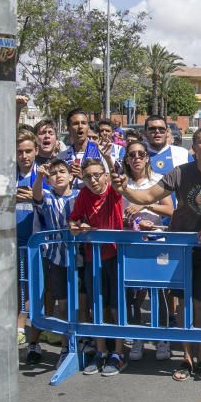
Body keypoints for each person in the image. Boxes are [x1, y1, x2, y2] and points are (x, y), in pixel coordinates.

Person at [115, 127, 201, 381]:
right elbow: (146, 195)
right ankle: (186, 360)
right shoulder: (180, 172)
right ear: (194, 148)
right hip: (180, 247)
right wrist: (124, 190)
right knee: (184, 305)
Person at [69, 158, 126, 376]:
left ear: (105, 175)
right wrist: (75, 226)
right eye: (87, 176)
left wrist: (108, 155)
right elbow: (73, 220)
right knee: (97, 305)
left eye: (97, 175)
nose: (93, 180)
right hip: (93, 257)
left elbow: (121, 183)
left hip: (115, 256)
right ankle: (101, 350)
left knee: (116, 306)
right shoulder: (83, 195)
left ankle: (119, 353)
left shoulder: (113, 191)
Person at [121, 140, 175, 362]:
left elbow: (170, 209)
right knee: (133, 293)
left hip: (156, 240)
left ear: (147, 158)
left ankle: (162, 337)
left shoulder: (157, 181)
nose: (136, 158)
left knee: (159, 290)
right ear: (126, 159)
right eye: (132, 154)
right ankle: (137, 337)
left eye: (140, 154)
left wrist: (144, 205)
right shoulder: (122, 182)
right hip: (131, 242)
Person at [29, 158, 79, 365]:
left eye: (62, 171)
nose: (58, 175)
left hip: (81, 258)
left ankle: (84, 341)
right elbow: (37, 195)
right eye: (54, 173)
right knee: (64, 303)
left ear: (71, 176)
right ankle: (67, 346)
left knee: (83, 302)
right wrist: (40, 176)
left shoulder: (79, 195)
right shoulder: (48, 197)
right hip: (57, 258)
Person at [16, 130, 40, 345]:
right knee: (14, 285)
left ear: (36, 151)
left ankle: (25, 325)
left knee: (32, 284)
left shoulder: (42, 176)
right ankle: (17, 324)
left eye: (28, 151)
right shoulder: (7, 175)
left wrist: (36, 197)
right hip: (10, 242)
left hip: (34, 242)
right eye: (20, 152)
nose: (24, 156)